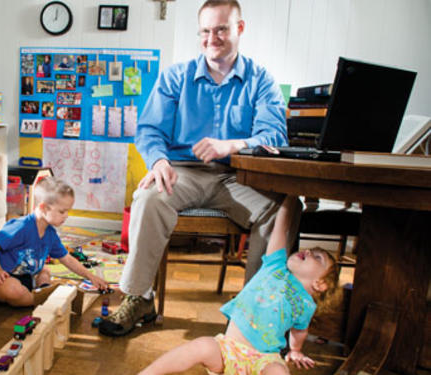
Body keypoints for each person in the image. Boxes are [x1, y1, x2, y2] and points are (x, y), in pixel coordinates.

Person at [99, 0, 297, 337]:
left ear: (240, 29)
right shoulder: (175, 77)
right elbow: (149, 129)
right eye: (205, 31)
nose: (212, 38)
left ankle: (253, 311)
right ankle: (139, 298)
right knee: (147, 198)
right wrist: (159, 160)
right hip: (182, 171)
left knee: (282, 210)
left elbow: (276, 135)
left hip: (238, 174)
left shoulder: (261, 80)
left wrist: (233, 144)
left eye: (221, 29)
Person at [138, 195, 340, 375]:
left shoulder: (306, 305)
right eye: (312, 250)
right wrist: (289, 198)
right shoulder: (275, 266)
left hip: (263, 359)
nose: (310, 252)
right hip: (228, 349)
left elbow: (299, 331)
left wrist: (295, 351)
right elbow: (281, 228)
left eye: (318, 257)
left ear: (320, 284)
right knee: (200, 346)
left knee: (279, 371)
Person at [0, 177, 109, 307]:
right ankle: (43, 300)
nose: (66, 216)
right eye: (62, 211)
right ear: (43, 207)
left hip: (27, 278)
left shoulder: (50, 234)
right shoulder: (21, 227)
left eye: (67, 211)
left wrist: (90, 276)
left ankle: (43, 288)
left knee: (44, 270)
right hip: (1, 280)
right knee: (13, 290)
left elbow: (68, 259)